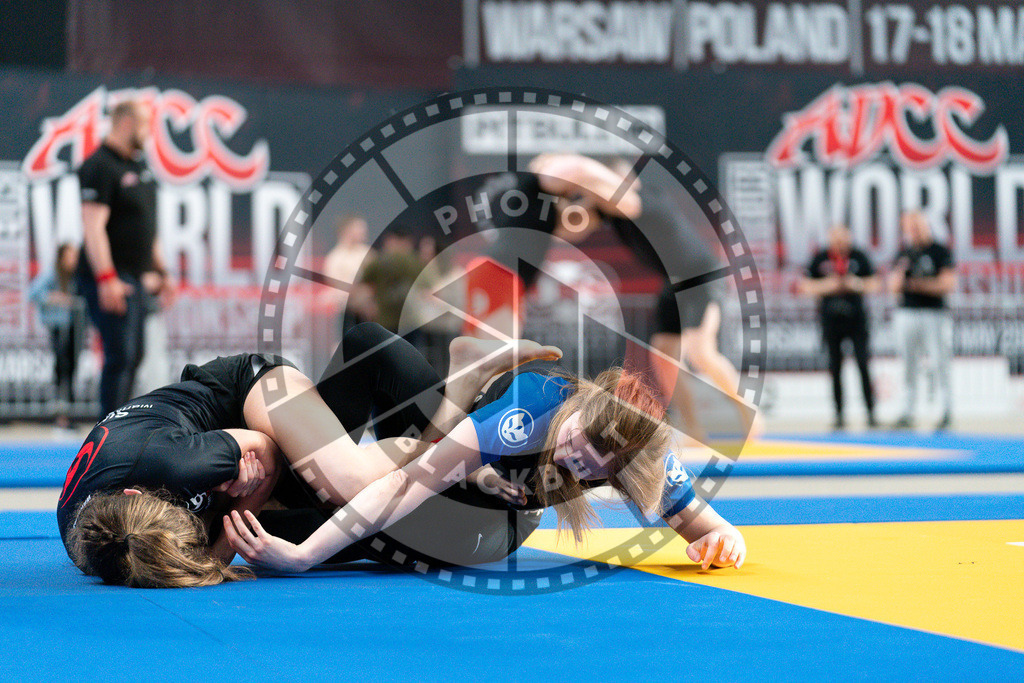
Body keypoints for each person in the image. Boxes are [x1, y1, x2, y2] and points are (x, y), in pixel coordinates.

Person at [59, 326, 563, 587]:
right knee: (307, 530)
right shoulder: (95, 543)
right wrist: (217, 548)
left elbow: (267, 457)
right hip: (225, 466)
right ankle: (456, 388)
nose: (200, 538)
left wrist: (240, 514)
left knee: (350, 481)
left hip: (251, 396)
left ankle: (464, 418)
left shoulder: (181, 463)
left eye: (188, 525)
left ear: (136, 492)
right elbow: (184, 562)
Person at [223, 334, 747, 574]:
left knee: (383, 529)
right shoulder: (535, 410)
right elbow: (406, 484)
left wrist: (725, 544)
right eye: (571, 437)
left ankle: (254, 521)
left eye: (583, 464)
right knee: (370, 345)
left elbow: (715, 530)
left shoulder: (645, 458)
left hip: (500, 521)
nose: (566, 453)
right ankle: (278, 483)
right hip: (471, 444)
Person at [472, 153, 758, 441]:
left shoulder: (645, 200)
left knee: (701, 351)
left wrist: (577, 170)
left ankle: (752, 419)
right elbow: (573, 227)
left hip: (700, 276)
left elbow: (592, 180)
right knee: (665, 357)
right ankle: (695, 430)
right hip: (672, 284)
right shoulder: (611, 212)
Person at [77, 99, 176, 420]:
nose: (149, 134)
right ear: (126, 123)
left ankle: (120, 425)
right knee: (121, 354)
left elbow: (148, 228)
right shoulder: (99, 166)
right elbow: (93, 228)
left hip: (137, 276)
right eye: (146, 125)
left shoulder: (138, 166)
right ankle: (107, 430)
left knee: (136, 355)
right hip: (111, 277)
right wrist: (107, 279)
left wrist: (162, 271)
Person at [799, 224, 881, 430]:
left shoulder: (859, 256)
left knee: (863, 365)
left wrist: (856, 284)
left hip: (856, 321)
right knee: (835, 368)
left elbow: (875, 283)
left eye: (843, 238)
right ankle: (839, 413)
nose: (839, 243)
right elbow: (805, 286)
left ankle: (871, 412)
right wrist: (830, 285)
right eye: (835, 239)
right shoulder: (820, 258)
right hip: (831, 321)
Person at [889, 212, 957, 431]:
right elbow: (893, 286)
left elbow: (947, 284)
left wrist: (919, 285)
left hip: (933, 312)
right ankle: (908, 411)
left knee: (939, 362)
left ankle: (945, 410)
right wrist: (904, 272)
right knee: (908, 363)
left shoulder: (939, 251)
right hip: (907, 312)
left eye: (917, 226)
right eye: (909, 227)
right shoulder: (904, 253)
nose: (914, 231)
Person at [28, 243, 86, 431]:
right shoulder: (52, 275)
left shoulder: (77, 277)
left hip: (75, 328)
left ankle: (67, 412)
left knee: (71, 368)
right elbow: (33, 293)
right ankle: (61, 415)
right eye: (70, 256)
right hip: (59, 328)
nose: (73, 260)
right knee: (62, 367)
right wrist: (55, 298)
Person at [322, 215, 375, 338]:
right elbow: (338, 289)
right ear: (347, 230)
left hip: (369, 312)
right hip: (345, 313)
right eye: (359, 228)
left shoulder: (367, 253)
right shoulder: (335, 258)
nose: (364, 232)